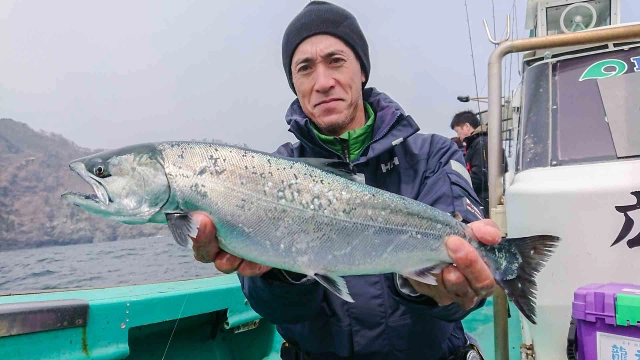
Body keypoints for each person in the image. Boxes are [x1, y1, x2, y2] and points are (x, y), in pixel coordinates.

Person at [190, 2, 502, 359]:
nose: (323, 82)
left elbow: (464, 293)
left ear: (362, 70)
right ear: (294, 83)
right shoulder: (270, 174)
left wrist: (426, 286)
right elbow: (280, 310)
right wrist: (279, 273)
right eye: (305, 68)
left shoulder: (433, 155)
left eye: (336, 61)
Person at [450, 110, 508, 218]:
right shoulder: (483, 142)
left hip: (484, 202)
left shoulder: (480, 143)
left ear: (467, 126)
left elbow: (479, 175)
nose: (458, 136)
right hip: (488, 199)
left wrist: (462, 188)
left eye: (458, 131)